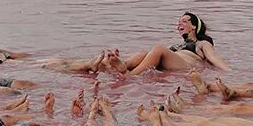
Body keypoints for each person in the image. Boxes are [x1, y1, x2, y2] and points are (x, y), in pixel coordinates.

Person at [43, 12, 232, 75]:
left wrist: (232, 74)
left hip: (189, 65)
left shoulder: (202, 43)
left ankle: (129, 76)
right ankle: (115, 63)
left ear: (193, 26)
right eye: (178, 22)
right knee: (144, 53)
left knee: (158, 49)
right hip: (168, 61)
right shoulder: (177, 46)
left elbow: (216, 60)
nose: (179, 24)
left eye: (184, 21)